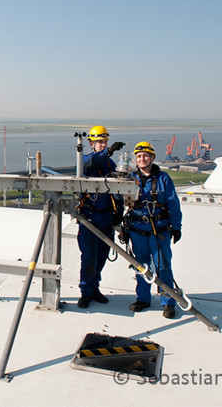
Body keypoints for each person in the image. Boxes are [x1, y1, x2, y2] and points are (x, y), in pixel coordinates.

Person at [126, 141, 182, 319]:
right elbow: (121, 201)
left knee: (162, 266)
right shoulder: (130, 179)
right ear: (136, 160)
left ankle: (168, 301)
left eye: (145, 156)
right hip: (137, 229)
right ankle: (143, 298)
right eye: (139, 157)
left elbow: (173, 203)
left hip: (159, 230)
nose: (142, 159)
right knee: (141, 266)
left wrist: (177, 227)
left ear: (152, 158)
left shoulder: (163, 178)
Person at [76, 125, 125, 309]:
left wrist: (119, 214)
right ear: (91, 143)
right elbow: (90, 163)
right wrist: (109, 152)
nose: (103, 145)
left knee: (102, 257)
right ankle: (85, 292)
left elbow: (117, 191)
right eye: (99, 142)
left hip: (106, 218)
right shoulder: (86, 161)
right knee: (89, 258)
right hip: (89, 218)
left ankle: (94, 288)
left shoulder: (110, 165)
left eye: (105, 142)